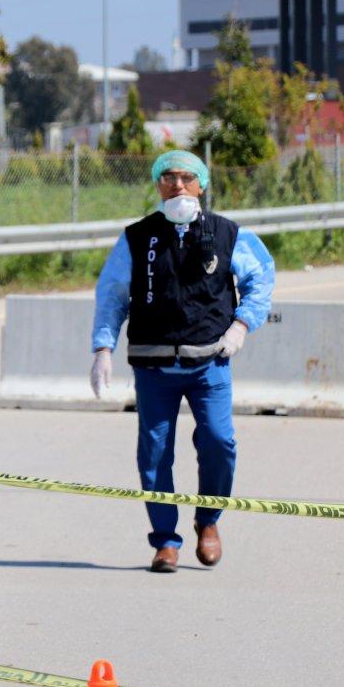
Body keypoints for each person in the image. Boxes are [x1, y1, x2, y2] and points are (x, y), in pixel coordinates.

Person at [90, 149, 275, 574]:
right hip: (153, 366)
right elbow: (112, 294)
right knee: (154, 453)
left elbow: (260, 277)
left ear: (202, 185)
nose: (178, 185)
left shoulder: (228, 234)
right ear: (158, 185)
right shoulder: (137, 237)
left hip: (209, 362)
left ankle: (208, 521)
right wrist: (103, 347)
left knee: (219, 443)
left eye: (187, 178)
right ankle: (165, 541)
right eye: (169, 177)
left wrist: (242, 326)